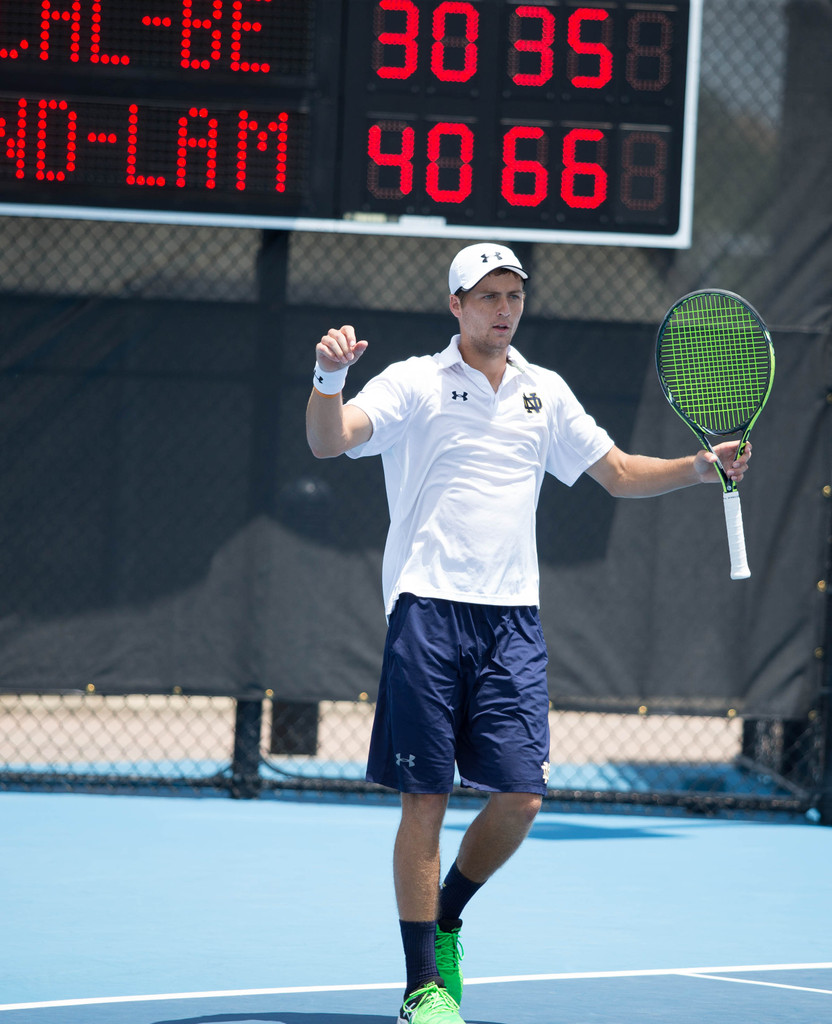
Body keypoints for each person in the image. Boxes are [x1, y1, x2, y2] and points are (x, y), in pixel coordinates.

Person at [306, 242, 751, 1024]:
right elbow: (329, 439)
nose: (504, 308)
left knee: (521, 797)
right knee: (427, 801)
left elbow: (614, 470)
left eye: (514, 295)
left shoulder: (545, 393)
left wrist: (699, 466)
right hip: (427, 611)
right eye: (488, 296)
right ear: (457, 306)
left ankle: (447, 914)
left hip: (513, 620)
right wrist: (328, 378)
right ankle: (422, 987)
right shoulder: (414, 381)